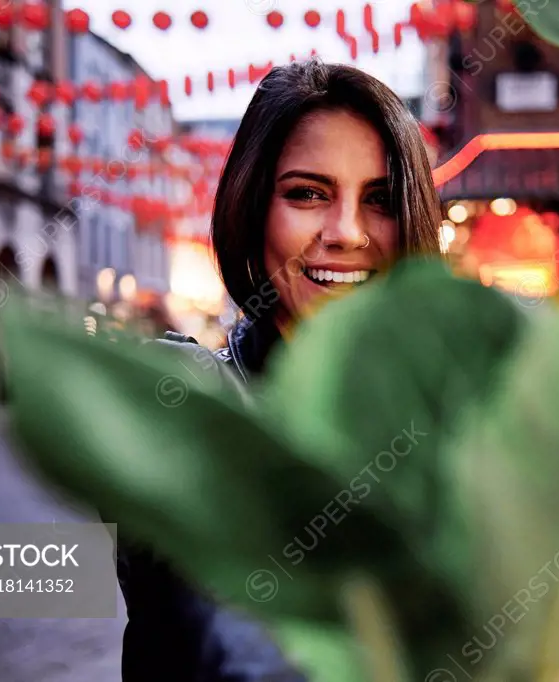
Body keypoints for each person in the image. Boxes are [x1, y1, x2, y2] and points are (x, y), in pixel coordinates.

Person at [114, 60, 442, 681]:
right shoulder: (189, 408)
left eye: (378, 199)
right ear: (252, 208)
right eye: (308, 194)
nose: (347, 232)